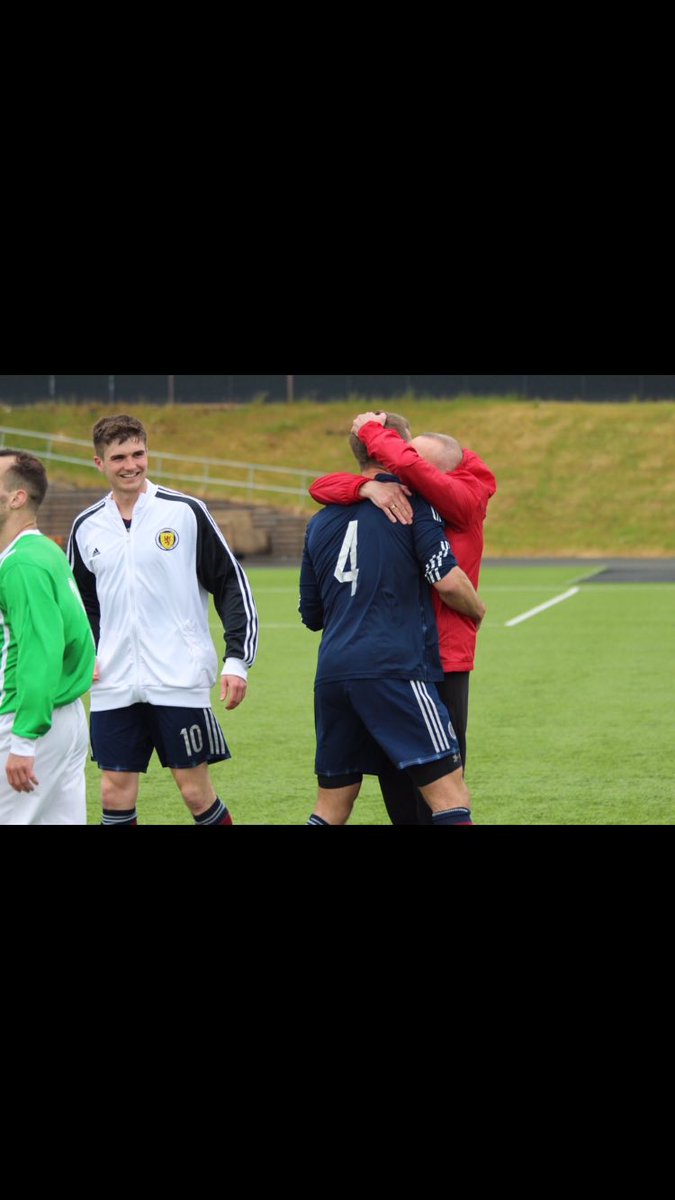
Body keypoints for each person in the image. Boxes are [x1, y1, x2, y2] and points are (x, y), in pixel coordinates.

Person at [68, 415, 259, 827]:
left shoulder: (185, 512)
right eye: (118, 457)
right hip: (113, 681)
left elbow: (230, 584)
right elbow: (80, 605)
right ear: (99, 463)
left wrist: (236, 659)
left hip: (178, 677)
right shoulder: (86, 527)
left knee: (194, 791)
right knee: (113, 791)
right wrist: (88, 655)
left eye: (138, 454)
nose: (130, 465)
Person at [309, 411, 497, 825]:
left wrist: (371, 434)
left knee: (441, 785)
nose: (403, 464)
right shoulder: (406, 500)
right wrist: (366, 486)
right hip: (402, 657)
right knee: (402, 781)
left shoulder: (458, 498)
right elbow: (320, 486)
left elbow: (408, 469)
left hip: (442, 660)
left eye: (412, 459)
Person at [0, 450, 95, 826]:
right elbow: (78, 635)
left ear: (16, 497)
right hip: (64, 717)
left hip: (26, 721)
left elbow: (42, 648)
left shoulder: (22, 563)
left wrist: (24, 740)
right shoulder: (44, 550)